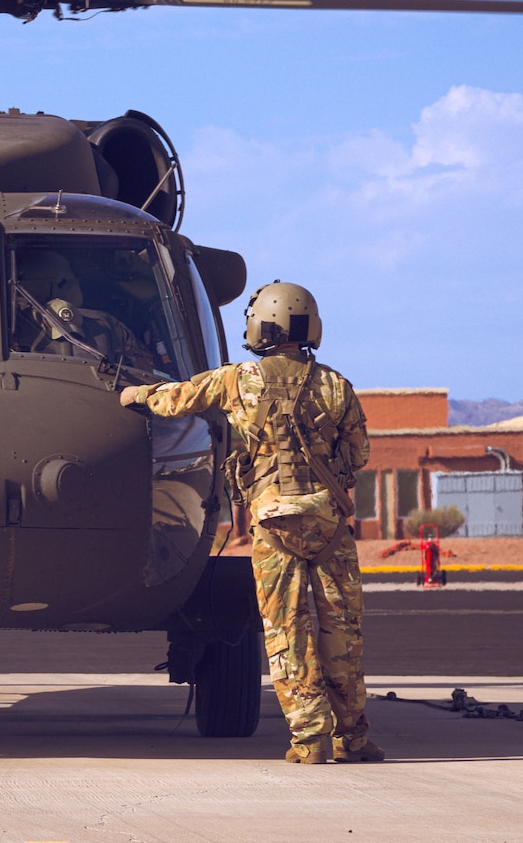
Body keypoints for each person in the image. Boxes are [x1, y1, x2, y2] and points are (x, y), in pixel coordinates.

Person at [118, 281, 382, 765]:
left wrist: (135, 393)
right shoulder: (335, 385)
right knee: (341, 632)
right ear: (308, 327)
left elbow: (176, 398)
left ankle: (309, 741)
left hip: (272, 524)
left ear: (262, 326)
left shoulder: (236, 380)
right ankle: (354, 738)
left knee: (287, 632)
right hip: (328, 525)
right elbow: (359, 454)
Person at [11, 249, 156, 372]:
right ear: (52, 286)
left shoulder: (1, 325)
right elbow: (147, 370)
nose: (77, 282)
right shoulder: (105, 324)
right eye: (70, 278)